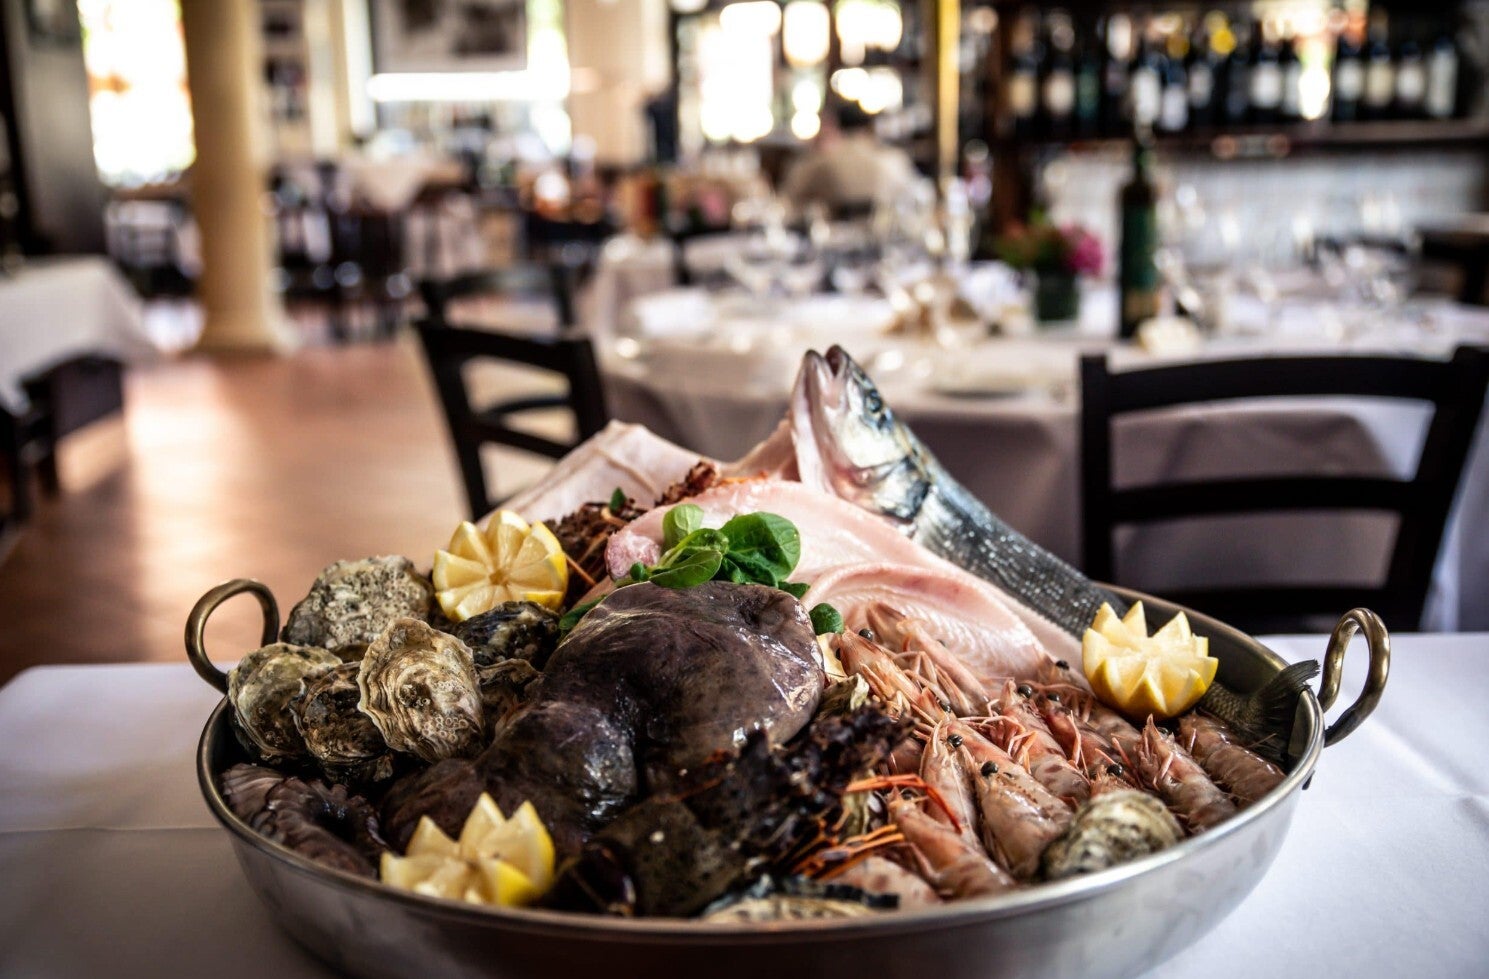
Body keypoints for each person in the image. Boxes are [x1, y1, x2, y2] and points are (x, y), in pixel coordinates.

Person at [779, 101, 918, 218]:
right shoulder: (893, 159)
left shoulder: (821, 162)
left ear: (836, 127)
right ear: (870, 128)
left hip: (832, 236)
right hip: (883, 235)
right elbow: (914, 196)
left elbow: (789, 196)